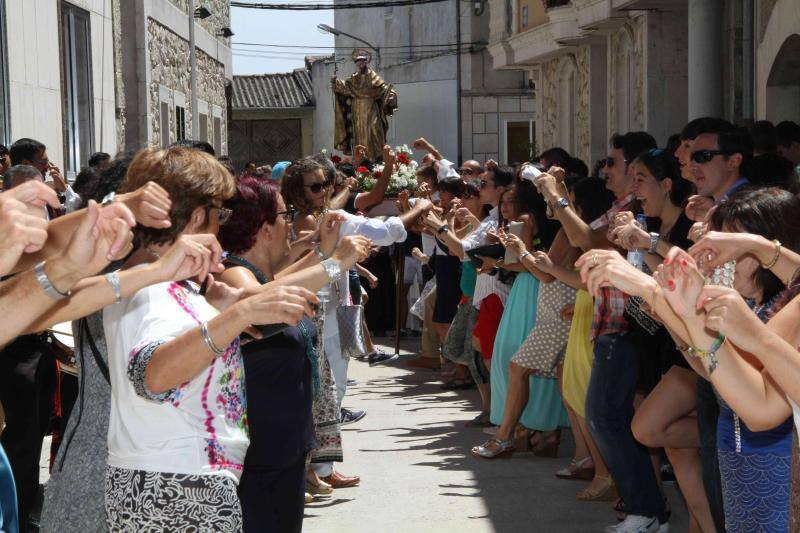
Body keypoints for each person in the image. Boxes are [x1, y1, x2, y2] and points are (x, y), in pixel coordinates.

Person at [101, 146, 319, 531]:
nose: (221, 226)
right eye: (220, 213)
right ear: (199, 215)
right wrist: (237, 315)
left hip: (178, 480)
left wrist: (225, 306)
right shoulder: (152, 286)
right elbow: (152, 374)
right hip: (177, 485)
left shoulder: (158, 278)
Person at [217, 177, 371, 532]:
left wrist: (326, 254)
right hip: (257, 453)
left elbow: (278, 283)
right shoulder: (234, 274)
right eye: (286, 216)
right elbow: (261, 299)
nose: (292, 225)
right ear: (263, 227)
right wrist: (336, 263)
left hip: (284, 447)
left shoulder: (255, 273)